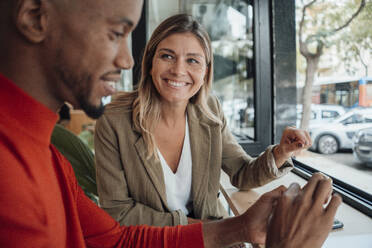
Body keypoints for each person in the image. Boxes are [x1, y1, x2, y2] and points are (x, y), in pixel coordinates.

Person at [0, 0, 341, 247]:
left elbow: (117, 240)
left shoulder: (49, 159)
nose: (125, 60)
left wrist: (278, 157)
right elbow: (120, 221)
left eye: (193, 60)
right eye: (116, 33)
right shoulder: (109, 124)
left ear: (205, 72)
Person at [95, 14, 311, 226]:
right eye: (167, 56)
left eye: (192, 60)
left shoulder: (211, 110)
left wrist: (282, 152)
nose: (179, 70)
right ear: (151, 63)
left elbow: (242, 174)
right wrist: (203, 231)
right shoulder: (114, 121)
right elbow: (118, 212)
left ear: (205, 72)